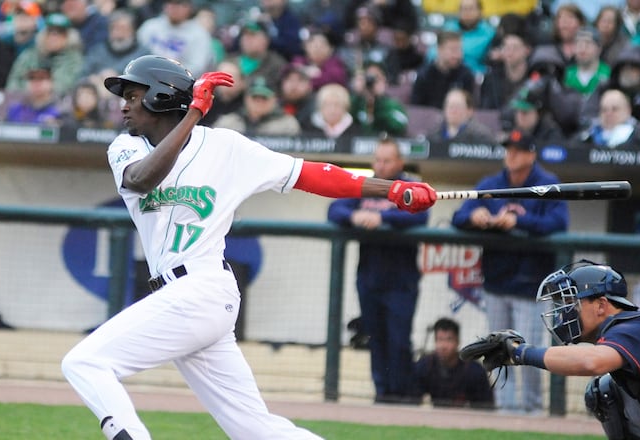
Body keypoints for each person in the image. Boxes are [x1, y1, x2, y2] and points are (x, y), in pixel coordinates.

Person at [60, 54, 436, 440]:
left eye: (134, 95)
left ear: (160, 97)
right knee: (255, 429)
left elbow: (310, 174)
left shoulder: (227, 147)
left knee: (85, 362)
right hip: (181, 296)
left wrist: (390, 189)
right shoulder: (125, 147)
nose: (123, 104)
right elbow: (141, 180)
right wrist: (193, 115)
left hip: (202, 288)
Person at [479, 259, 640, 439]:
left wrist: (519, 353)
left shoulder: (633, 330)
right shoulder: (635, 325)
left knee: (604, 388)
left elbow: (590, 363)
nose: (565, 312)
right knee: (604, 390)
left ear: (601, 305)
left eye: (571, 302)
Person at [451, 129, 569, 414]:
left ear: (531, 155)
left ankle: (532, 410)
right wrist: (474, 217)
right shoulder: (491, 183)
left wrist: (519, 221)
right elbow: (458, 216)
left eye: (517, 150)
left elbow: (558, 223)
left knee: (527, 353)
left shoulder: (547, 183)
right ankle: (505, 412)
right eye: (508, 149)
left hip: (532, 286)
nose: (511, 155)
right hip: (496, 281)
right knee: (497, 352)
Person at [327, 136, 430, 404]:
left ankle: (403, 394)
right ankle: (382, 394)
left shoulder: (409, 185)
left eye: (386, 160)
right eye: (377, 160)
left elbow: (420, 213)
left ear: (399, 162)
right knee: (376, 338)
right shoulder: (366, 185)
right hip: (369, 278)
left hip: (401, 280)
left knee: (399, 340)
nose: (381, 165)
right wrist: (353, 216)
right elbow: (334, 209)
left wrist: (382, 217)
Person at [410, 317, 494, 408]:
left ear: (457, 342)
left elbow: (486, 407)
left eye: (449, 340)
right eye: (440, 339)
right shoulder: (425, 365)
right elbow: (410, 401)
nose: (443, 346)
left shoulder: (474, 370)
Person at [5, 13, 84, 97]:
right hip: (25, 102)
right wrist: (31, 89)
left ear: (68, 37)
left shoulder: (74, 59)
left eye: (60, 33)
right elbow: (13, 82)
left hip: (57, 104)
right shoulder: (30, 55)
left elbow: (64, 86)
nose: (54, 36)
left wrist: (37, 86)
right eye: (50, 32)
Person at [137, 0, 215, 77]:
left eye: (178, 3)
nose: (173, 7)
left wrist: (169, 73)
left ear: (189, 7)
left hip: (180, 82)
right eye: (169, 2)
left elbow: (197, 68)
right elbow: (136, 54)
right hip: (146, 75)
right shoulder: (150, 26)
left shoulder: (199, 34)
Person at [212, 75, 301, 136]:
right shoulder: (228, 122)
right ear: (246, 98)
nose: (259, 102)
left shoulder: (287, 124)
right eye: (255, 97)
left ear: (274, 99)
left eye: (264, 98)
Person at [411, 30, 475, 110]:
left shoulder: (466, 75)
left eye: (459, 50)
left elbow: (470, 108)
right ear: (439, 49)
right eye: (453, 50)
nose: (457, 55)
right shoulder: (424, 75)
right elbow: (417, 109)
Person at [350, 61, 408, 137]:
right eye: (368, 77)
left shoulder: (392, 105)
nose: (371, 82)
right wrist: (358, 94)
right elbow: (345, 121)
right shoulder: (357, 103)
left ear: (384, 81)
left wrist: (378, 102)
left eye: (376, 78)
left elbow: (400, 126)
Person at [428, 88, 497, 144]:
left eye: (457, 106)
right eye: (450, 106)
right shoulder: (434, 135)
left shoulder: (481, 136)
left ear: (469, 111)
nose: (453, 111)